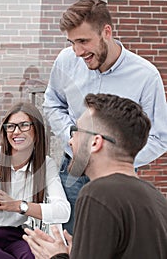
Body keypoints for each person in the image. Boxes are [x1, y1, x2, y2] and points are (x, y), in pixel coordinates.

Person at [43, 0, 167, 235]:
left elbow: (160, 137)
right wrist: (71, 133)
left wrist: (116, 160)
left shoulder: (146, 76)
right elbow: (52, 103)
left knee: (114, 242)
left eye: (83, 41)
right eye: (71, 43)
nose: (78, 52)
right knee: (72, 240)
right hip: (74, 170)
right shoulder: (66, 61)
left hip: (119, 177)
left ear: (106, 32)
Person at [24, 93, 167, 259]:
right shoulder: (155, 196)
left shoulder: (98, 193)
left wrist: (56, 257)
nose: (70, 141)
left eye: (75, 131)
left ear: (95, 142)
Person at [0, 102, 71, 259]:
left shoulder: (46, 165)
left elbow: (63, 211)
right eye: (10, 126)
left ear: (36, 130)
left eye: (24, 125)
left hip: (16, 235)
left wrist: (18, 206)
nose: (16, 132)